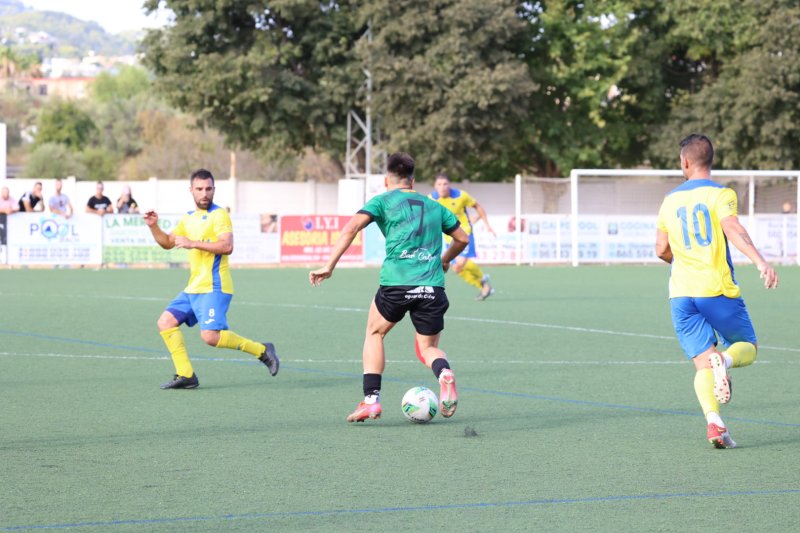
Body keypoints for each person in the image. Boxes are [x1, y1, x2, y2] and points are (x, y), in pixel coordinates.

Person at [309, 152, 470, 423]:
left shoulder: (382, 200)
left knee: (374, 332)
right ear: (413, 180)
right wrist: (445, 259)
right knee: (427, 348)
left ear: (387, 180)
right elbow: (462, 238)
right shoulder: (434, 206)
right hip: (431, 287)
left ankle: (371, 400)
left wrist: (329, 265)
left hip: (396, 283)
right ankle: (443, 373)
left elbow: (351, 228)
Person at [655, 134, 778, 449]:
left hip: (681, 294)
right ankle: (724, 359)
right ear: (711, 161)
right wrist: (760, 262)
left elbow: (661, 250)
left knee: (702, 363)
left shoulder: (669, 200)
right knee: (746, 346)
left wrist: (681, 260)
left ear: (684, 162)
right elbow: (733, 228)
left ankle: (715, 423)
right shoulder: (721, 194)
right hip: (715, 288)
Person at [144, 168, 279, 389]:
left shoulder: (219, 215)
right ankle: (186, 375)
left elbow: (227, 246)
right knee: (165, 322)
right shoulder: (188, 218)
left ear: (214, 189)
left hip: (215, 286)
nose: (204, 193)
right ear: (191, 191)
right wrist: (153, 226)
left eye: (208, 189)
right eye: (199, 189)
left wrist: (193, 243)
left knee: (210, 337)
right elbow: (168, 242)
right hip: (194, 288)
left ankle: (262, 351)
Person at [430, 173, 496, 300]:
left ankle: (482, 277)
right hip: (449, 238)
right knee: (456, 268)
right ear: (435, 186)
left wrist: (487, 224)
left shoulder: (461, 196)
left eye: (445, 184)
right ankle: (484, 287)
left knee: (460, 262)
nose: (442, 187)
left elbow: (477, 206)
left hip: (465, 233)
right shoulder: (431, 199)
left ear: (449, 185)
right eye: (439, 184)